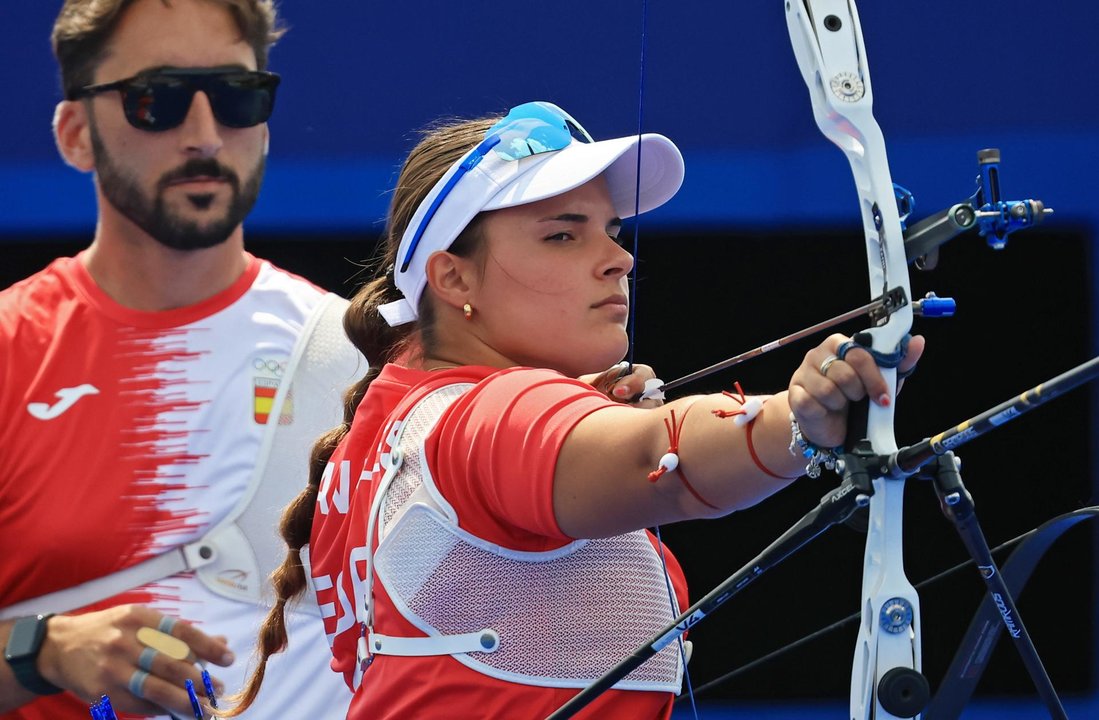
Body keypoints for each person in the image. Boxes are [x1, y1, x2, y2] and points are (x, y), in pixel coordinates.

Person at [229, 101, 925, 719]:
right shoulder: (483, 416)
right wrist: (793, 422)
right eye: (562, 234)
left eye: (611, 230)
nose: (616, 258)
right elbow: (661, 459)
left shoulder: (391, 427)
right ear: (452, 276)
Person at [0, 1, 360, 718]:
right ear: (75, 134)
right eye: (155, 100)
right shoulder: (10, 352)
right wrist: (43, 650)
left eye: (235, 97)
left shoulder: (356, 357)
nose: (204, 136)